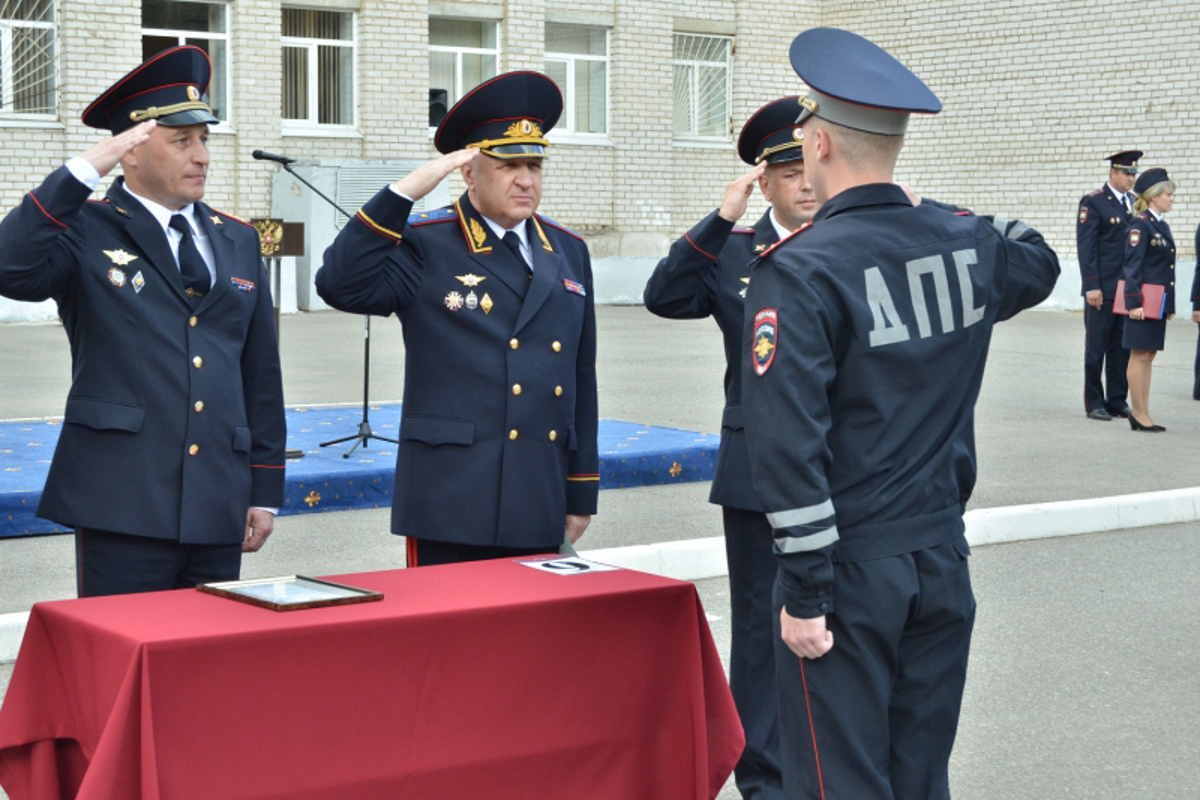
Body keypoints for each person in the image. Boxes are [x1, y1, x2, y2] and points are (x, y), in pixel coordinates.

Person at [740, 28, 1060, 800]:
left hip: (848, 572)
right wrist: (945, 211)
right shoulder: (963, 240)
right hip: (940, 558)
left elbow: (789, 446)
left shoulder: (802, 267)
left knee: (838, 781)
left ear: (816, 144)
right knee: (920, 775)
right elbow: (1039, 256)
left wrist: (806, 594)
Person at [0, 46, 286, 597]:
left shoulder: (238, 238)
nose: (201, 155)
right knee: (120, 659)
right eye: (182, 141)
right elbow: (12, 269)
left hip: (218, 495)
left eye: (204, 139)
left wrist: (264, 487)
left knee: (202, 662)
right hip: (122, 495)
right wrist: (82, 171)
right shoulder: (85, 226)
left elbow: (259, 370)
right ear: (129, 153)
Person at [315, 72, 598, 567]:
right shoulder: (429, 242)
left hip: (538, 486)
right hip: (451, 492)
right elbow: (341, 283)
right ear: (468, 173)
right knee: (449, 642)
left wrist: (580, 490)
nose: (526, 180)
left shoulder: (568, 251)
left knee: (529, 641)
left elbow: (580, 375)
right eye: (509, 165)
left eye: (534, 165)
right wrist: (403, 193)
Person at [644, 96, 816, 800]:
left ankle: (829, 758)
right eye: (789, 170)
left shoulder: (850, 240)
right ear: (763, 181)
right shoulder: (734, 253)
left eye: (813, 165)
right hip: (756, 469)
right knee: (760, 622)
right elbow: (664, 295)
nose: (807, 181)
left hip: (843, 464)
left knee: (840, 617)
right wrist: (719, 219)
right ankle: (766, 774)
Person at [1077, 150, 1142, 421]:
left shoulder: (1135, 203)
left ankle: (1117, 399)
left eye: (1133, 174)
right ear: (1113, 173)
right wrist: (1091, 285)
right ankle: (1094, 402)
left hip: (1126, 290)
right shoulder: (1094, 203)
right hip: (1102, 289)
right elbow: (1087, 247)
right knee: (1097, 346)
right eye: (1126, 173)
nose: (1131, 178)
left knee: (1121, 348)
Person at [1121, 167, 1176, 432]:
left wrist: (1169, 305)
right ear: (1154, 196)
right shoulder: (1140, 224)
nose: (1171, 199)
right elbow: (1133, 267)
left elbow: (1167, 271)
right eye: (1168, 194)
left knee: (1149, 355)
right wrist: (1134, 303)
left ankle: (1145, 412)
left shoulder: (1160, 224)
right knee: (1139, 355)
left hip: (1157, 302)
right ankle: (1138, 413)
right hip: (1142, 302)